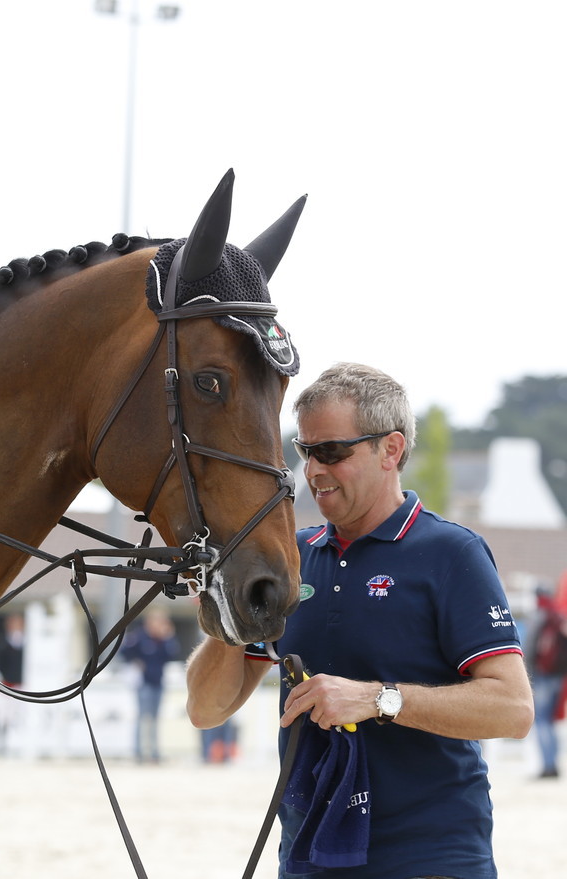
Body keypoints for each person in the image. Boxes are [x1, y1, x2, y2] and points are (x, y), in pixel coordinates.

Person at [186, 362, 534, 879]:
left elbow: (513, 709)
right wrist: (226, 617)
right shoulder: (290, 556)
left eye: (331, 452)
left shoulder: (451, 552)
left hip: (430, 857)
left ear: (390, 450)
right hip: (308, 854)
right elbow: (205, 710)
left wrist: (377, 699)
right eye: (305, 452)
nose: (313, 470)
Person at [122, 609, 179, 763]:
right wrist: (136, 662)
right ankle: (138, 753)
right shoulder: (140, 636)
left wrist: (169, 637)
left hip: (158, 682)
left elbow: (172, 654)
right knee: (142, 718)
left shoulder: (163, 639)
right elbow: (125, 651)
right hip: (144, 683)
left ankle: (154, 753)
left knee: (154, 719)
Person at [525, 584, 567, 778]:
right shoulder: (558, 616)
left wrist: (528, 674)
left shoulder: (540, 616)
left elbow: (530, 647)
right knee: (549, 721)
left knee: (541, 721)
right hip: (558, 675)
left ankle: (547, 766)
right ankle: (554, 764)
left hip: (542, 676)